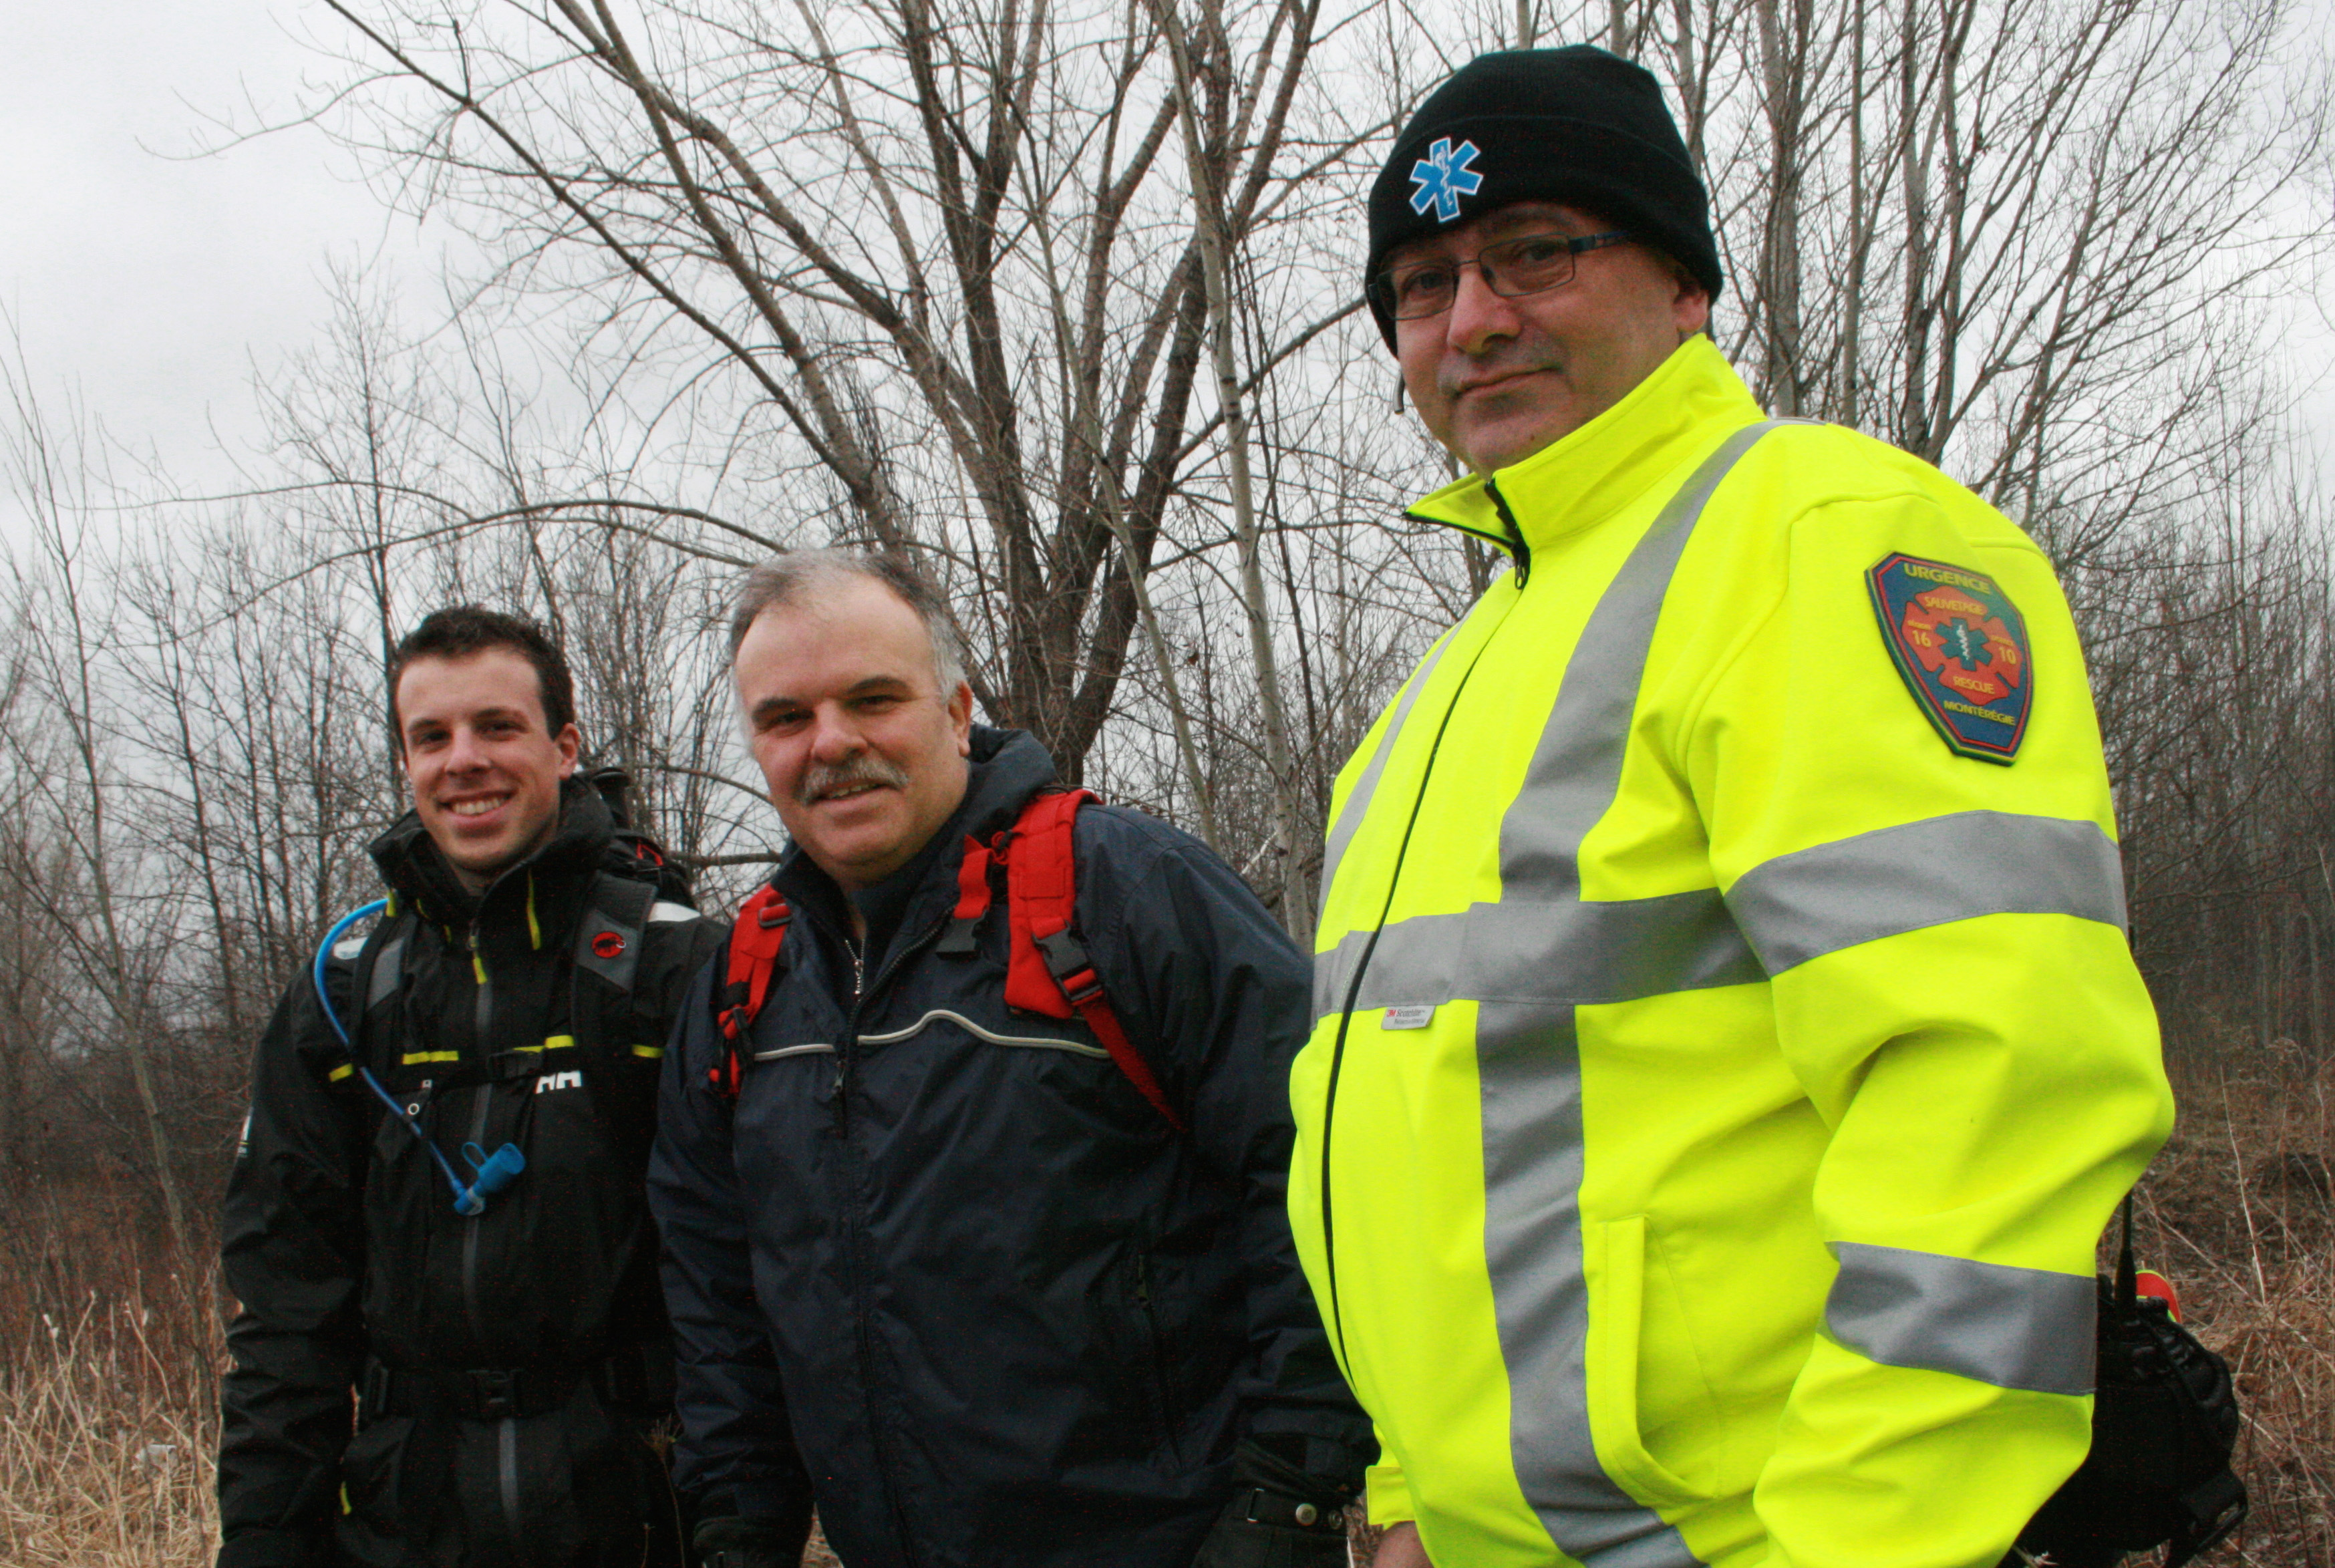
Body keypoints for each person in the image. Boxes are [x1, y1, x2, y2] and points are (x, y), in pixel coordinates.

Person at [1289, 45, 2175, 1568]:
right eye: (1423, 284)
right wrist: (1409, 1498)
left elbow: (1992, 1098)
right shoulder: (1432, 697)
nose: (1473, 319)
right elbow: (1426, 1153)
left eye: (1533, 253)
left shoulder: (1812, 536)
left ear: (1685, 287)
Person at [651, 551, 1372, 1568]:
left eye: (873, 699)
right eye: (785, 719)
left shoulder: (1124, 894)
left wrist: (1284, 1505)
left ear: (955, 711)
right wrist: (738, 1529)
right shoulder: (745, 978)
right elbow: (718, 1299)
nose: (832, 744)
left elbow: (1326, 1182)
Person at [216, 607, 724, 1568]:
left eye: (497, 727)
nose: (464, 761)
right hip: (405, 1519)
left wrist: (743, 1523)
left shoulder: (674, 967)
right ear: (406, 762)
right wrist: (264, 1541)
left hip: (642, 1512)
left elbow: (756, 1282)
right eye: (432, 737)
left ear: (563, 746)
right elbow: (285, 1315)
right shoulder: (343, 993)